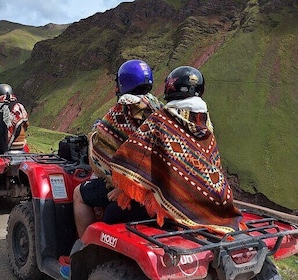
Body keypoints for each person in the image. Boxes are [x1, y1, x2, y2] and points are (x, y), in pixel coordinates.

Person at [110, 66, 246, 235]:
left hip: (173, 206)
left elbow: (138, 158)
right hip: (214, 204)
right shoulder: (205, 124)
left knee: (110, 216)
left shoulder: (161, 120)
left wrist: (122, 189)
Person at [72, 59, 164, 238]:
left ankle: (84, 247)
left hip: (130, 188)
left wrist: (93, 135)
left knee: (79, 195)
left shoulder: (121, 111)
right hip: (155, 186)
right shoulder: (159, 108)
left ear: (123, 83)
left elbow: (101, 148)